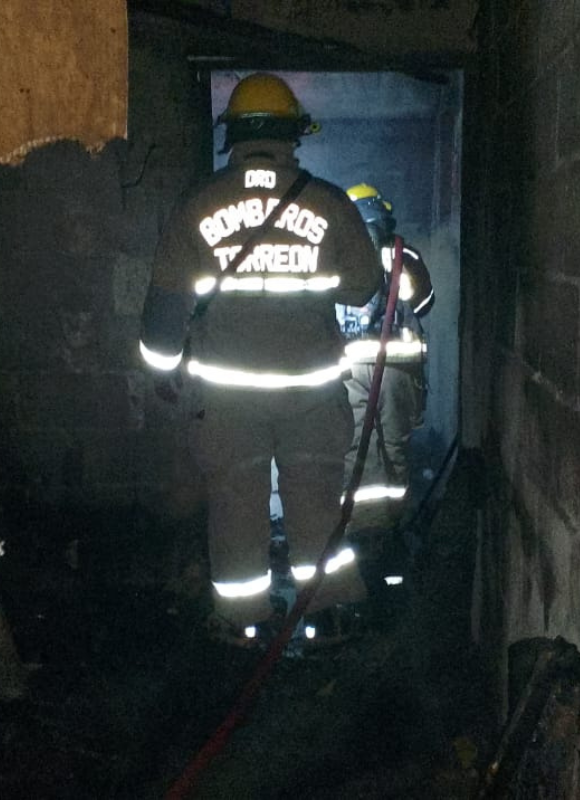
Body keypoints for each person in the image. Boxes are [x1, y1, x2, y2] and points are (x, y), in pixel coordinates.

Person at [139, 74, 382, 645]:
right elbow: (363, 288)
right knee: (316, 505)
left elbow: (165, 309)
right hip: (310, 395)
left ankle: (242, 620)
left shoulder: (198, 204)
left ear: (235, 135)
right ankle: (327, 614)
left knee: (236, 508)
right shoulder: (328, 202)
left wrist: (163, 373)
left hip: (228, 401)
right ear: (293, 133)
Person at [338, 183, 435, 599]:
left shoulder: (335, 252)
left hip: (347, 370)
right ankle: (392, 529)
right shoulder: (402, 254)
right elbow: (425, 303)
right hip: (396, 368)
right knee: (395, 447)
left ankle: (357, 531)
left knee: (353, 448)